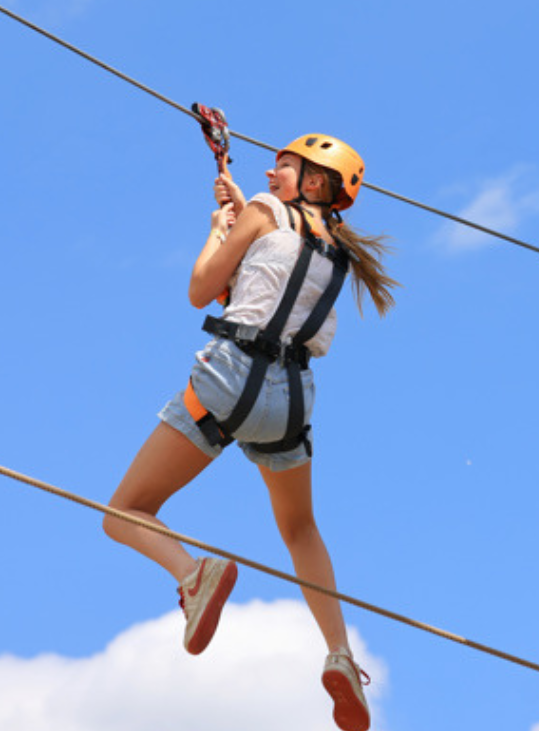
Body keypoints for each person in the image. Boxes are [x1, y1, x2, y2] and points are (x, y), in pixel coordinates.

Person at [104, 127, 396, 731]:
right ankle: (339, 653)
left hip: (229, 378)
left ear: (313, 181)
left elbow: (201, 290)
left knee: (125, 511)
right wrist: (246, 213)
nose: (270, 176)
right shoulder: (337, 249)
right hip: (290, 399)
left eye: (282, 167)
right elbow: (271, 282)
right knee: (300, 528)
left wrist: (217, 230)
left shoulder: (265, 212)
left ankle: (193, 574)